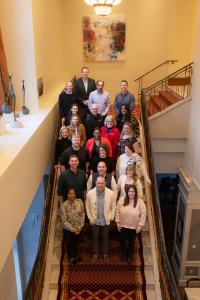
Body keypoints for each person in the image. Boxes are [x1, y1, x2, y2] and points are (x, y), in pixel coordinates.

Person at [86, 176, 116, 263]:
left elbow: (113, 207)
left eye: (102, 183)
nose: (100, 185)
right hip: (95, 221)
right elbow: (87, 207)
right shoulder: (90, 193)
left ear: (105, 183)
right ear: (96, 183)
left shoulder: (111, 193)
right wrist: (90, 218)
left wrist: (111, 217)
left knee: (105, 238)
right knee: (95, 238)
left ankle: (105, 254)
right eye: (98, 183)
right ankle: (95, 254)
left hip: (105, 221)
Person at [115, 185, 146, 263]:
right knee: (122, 241)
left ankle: (130, 254)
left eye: (133, 191)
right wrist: (118, 222)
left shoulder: (140, 202)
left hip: (133, 227)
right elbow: (117, 211)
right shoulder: (122, 200)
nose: (131, 193)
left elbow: (143, 214)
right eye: (129, 191)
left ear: (135, 192)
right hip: (123, 225)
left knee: (131, 242)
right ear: (127, 192)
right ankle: (124, 253)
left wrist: (140, 226)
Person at [60, 188, 85, 265]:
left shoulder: (80, 202)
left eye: (73, 193)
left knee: (76, 243)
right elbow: (64, 221)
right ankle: (71, 258)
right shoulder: (64, 205)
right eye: (70, 194)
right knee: (70, 244)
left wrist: (80, 226)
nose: (72, 195)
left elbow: (83, 214)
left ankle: (76, 256)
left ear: (75, 194)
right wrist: (73, 229)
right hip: (69, 230)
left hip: (78, 228)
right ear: (67, 195)